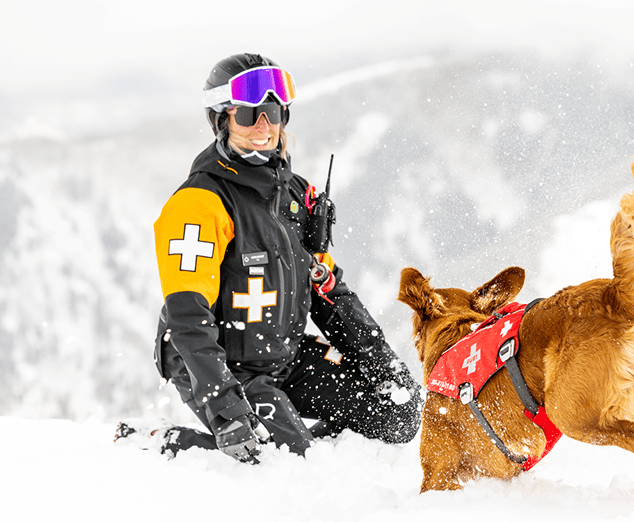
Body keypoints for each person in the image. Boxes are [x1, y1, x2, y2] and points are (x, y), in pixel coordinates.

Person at [115, 53, 423, 463]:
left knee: (397, 412)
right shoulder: (199, 204)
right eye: (248, 115)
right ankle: (161, 442)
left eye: (273, 112)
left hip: (284, 355)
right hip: (224, 364)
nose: (264, 127)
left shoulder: (294, 197)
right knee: (280, 461)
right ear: (222, 119)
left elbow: (329, 290)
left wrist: (386, 368)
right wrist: (226, 409)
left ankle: (301, 439)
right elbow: (188, 319)